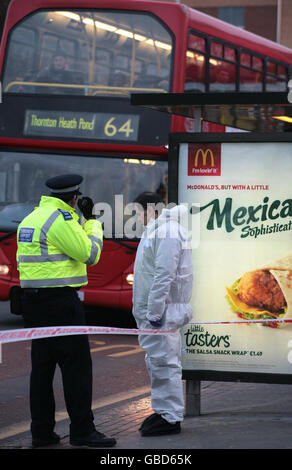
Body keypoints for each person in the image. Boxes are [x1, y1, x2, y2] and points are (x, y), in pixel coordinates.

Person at [16, 174, 116, 448]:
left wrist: (77, 219)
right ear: (73, 198)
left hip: (33, 303)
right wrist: (93, 222)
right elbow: (90, 254)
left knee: (42, 370)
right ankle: (83, 431)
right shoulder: (59, 219)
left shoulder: (33, 217)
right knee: (77, 369)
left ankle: (42, 432)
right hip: (61, 303)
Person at [132, 192, 193, 436]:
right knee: (158, 361)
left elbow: (163, 274)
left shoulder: (166, 232)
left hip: (161, 313)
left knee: (165, 362)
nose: (136, 218)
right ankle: (164, 411)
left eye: (138, 212)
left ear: (151, 210)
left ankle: (170, 417)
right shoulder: (159, 230)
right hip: (157, 312)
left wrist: (154, 312)